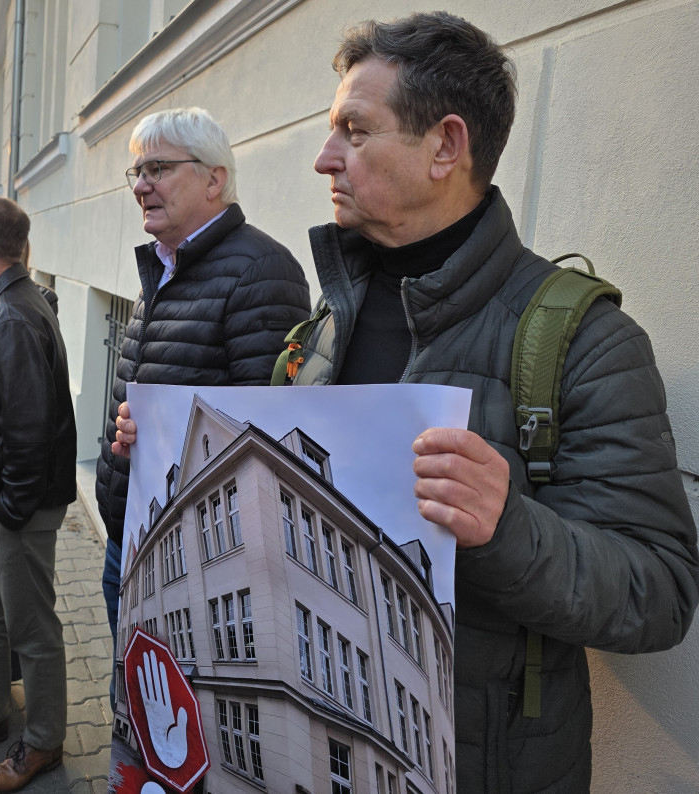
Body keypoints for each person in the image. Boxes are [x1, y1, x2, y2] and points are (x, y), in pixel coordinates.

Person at [280, 12, 698, 791]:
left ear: (445, 145)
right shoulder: (330, 314)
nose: (323, 158)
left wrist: (504, 527)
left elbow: (660, 593)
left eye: (353, 131)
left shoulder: (586, 341)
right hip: (320, 746)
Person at [95, 107, 311, 670]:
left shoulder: (262, 270)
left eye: (159, 169)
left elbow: (260, 435)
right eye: (136, 172)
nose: (141, 186)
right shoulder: (163, 267)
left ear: (214, 179)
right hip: (132, 531)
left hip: (191, 555)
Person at [0, 196, 77, 793]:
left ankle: (44, 742)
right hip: (9, 498)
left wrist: (9, 507)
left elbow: (29, 428)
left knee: (31, 627)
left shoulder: (11, 316)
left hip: (21, 503)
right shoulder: (2, 305)